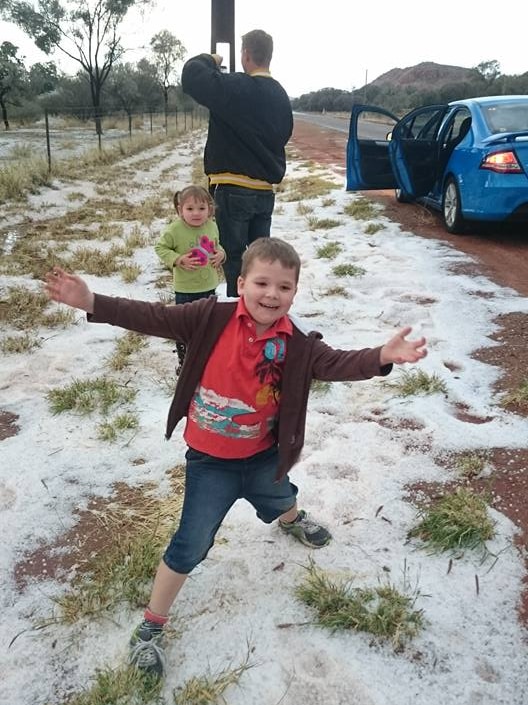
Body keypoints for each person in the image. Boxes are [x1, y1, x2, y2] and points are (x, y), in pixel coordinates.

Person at [44, 237, 427, 680]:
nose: (271, 294)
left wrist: (381, 356)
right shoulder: (210, 316)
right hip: (211, 463)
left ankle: (290, 520)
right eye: (261, 283)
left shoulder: (297, 343)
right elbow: (152, 316)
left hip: (263, 454)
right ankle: (151, 625)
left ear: (295, 292)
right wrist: (91, 300)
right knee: (191, 541)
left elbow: (338, 363)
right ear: (240, 282)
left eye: (284, 287)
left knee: (280, 493)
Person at [181, 29, 293, 297]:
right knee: (261, 258)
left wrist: (210, 59)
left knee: (233, 257)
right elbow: (285, 133)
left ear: (245, 55)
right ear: (269, 56)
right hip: (265, 193)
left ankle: (237, 310)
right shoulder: (280, 95)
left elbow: (191, 77)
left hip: (232, 191)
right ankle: (261, 308)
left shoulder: (236, 86)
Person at [154, 185, 225, 373]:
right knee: (184, 324)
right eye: (190, 209)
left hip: (208, 285)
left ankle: (206, 357)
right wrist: (177, 259)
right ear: (180, 210)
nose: (196, 213)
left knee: (207, 323)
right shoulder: (175, 230)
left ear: (209, 209)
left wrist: (221, 255)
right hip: (185, 289)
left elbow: (218, 247)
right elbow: (161, 248)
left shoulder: (212, 225)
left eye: (202, 208)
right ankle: (184, 361)